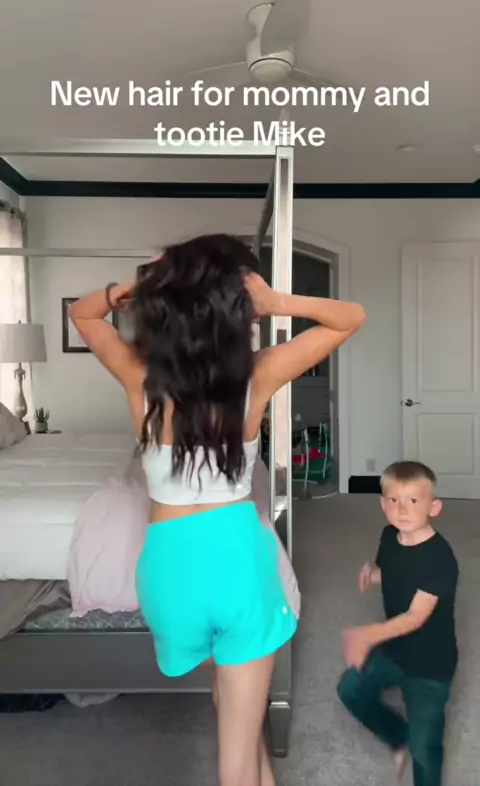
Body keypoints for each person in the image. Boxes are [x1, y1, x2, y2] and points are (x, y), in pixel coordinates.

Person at [68, 233, 365, 786]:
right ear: (237, 310)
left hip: (168, 577)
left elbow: (83, 315)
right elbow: (351, 317)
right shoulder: (257, 376)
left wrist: (147, 284)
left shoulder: (140, 377)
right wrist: (278, 302)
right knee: (236, 757)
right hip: (236, 566)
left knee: (230, 705)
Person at [337, 461, 459, 786]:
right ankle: (396, 734)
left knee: (424, 749)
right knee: (350, 690)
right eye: (394, 500)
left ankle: (414, 747)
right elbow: (394, 570)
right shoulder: (390, 536)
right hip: (395, 649)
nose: (402, 509)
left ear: (434, 507)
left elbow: (416, 617)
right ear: (382, 504)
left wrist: (366, 635)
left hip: (430, 667)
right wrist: (373, 572)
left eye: (413, 500)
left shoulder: (440, 559)